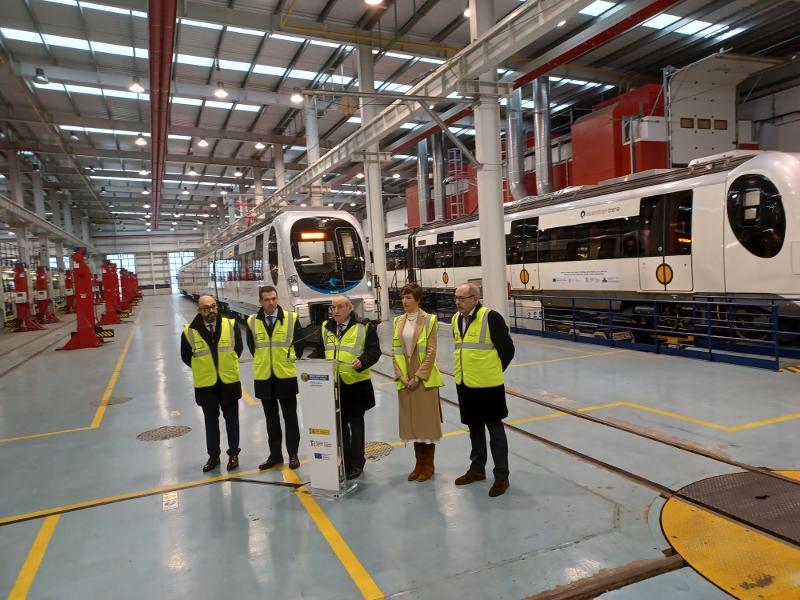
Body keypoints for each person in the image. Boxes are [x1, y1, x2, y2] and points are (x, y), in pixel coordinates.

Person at [452, 282, 515, 497]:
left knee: (495, 431)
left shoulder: (491, 318)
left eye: (461, 298)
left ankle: (501, 476)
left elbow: (508, 350)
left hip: (488, 386)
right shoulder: (456, 319)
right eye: (456, 298)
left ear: (474, 299)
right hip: (465, 383)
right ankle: (477, 469)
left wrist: (493, 370)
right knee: (475, 429)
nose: (457, 302)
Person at [308, 294, 381, 480]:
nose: (336, 310)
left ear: (350, 308)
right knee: (340, 426)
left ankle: (357, 464)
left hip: (355, 385)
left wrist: (362, 360)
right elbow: (320, 350)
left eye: (340, 307)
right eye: (333, 307)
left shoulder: (364, 326)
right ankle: (345, 462)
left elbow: (374, 351)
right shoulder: (326, 327)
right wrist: (309, 361)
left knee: (356, 425)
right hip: (333, 385)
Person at [181, 295, 243, 473]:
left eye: (213, 306)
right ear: (199, 310)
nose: (211, 311)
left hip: (228, 382)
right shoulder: (189, 331)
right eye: (206, 308)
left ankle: (233, 454)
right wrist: (205, 368)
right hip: (206, 385)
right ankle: (213, 456)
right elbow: (186, 356)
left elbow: (238, 349)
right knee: (210, 423)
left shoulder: (231, 326)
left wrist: (225, 366)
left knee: (232, 421)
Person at [246, 286, 304, 471]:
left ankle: (293, 454)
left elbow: (299, 347)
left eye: (274, 298)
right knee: (271, 420)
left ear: (277, 298)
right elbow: (252, 347)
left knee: (290, 418)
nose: (271, 303)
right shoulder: (252, 321)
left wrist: (285, 361)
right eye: (267, 300)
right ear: (260, 302)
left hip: (286, 376)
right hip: (264, 377)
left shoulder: (291, 319)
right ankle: (275, 455)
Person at [391, 283, 444, 482]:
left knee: (426, 424)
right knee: (412, 424)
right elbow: (395, 351)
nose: (404, 301)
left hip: (424, 378)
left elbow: (431, 352)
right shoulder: (398, 321)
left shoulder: (429, 320)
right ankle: (418, 464)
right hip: (405, 379)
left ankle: (429, 465)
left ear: (418, 300)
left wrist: (418, 377)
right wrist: (401, 376)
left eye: (408, 298)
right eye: (403, 297)